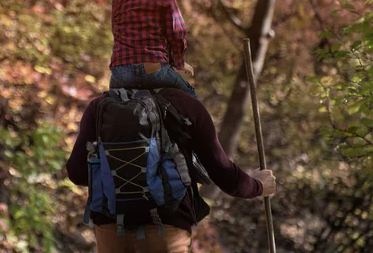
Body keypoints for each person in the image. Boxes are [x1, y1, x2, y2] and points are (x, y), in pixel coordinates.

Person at [66, 88, 276, 253]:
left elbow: (77, 173)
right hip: (165, 231)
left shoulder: (100, 107)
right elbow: (224, 174)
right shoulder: (184, 104)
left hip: (111, 231)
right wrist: (257, 186)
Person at [109, 0, 197, 98]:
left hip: (120, 71)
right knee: (190, 96)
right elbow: (177, 34)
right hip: (153, 68)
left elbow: (115, 29)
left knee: (106, 105)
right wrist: (179, 62)